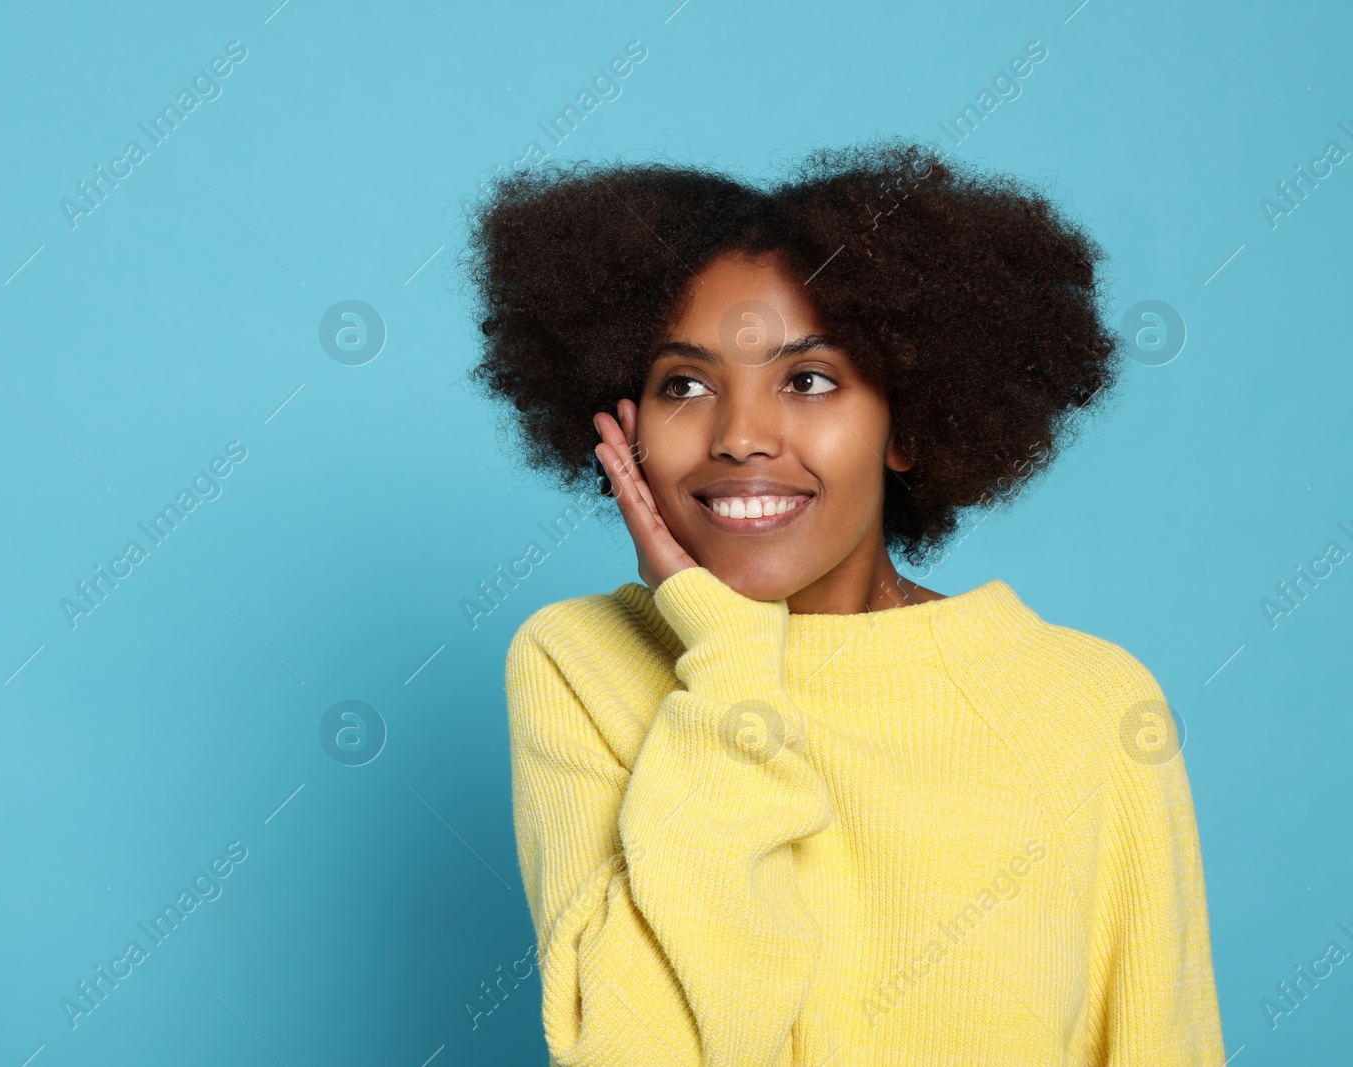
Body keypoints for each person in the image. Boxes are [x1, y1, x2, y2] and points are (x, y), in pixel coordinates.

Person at [461, 139, 1227, 1065]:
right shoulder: (578, 663)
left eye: (809, 379)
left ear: (906, 426)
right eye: (686, 384)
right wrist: (728, 652)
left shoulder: (1092, 703)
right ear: (626, 429)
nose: (741, 435)